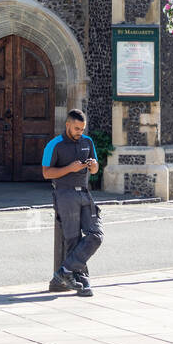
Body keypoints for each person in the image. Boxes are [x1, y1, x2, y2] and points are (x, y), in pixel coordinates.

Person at [41, 108, 103, 297]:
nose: (79, 132)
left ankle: (64, 272)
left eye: (82, 129)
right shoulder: (54, 145)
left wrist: (93, 166)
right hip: (64, 194)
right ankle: (81, 280)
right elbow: (46, 173)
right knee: (73, 239)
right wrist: (69, 168)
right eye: (76, 128)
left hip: (84, 193)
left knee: (96, 235)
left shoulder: (88, 141)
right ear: (67, 124)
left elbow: (95, 170)